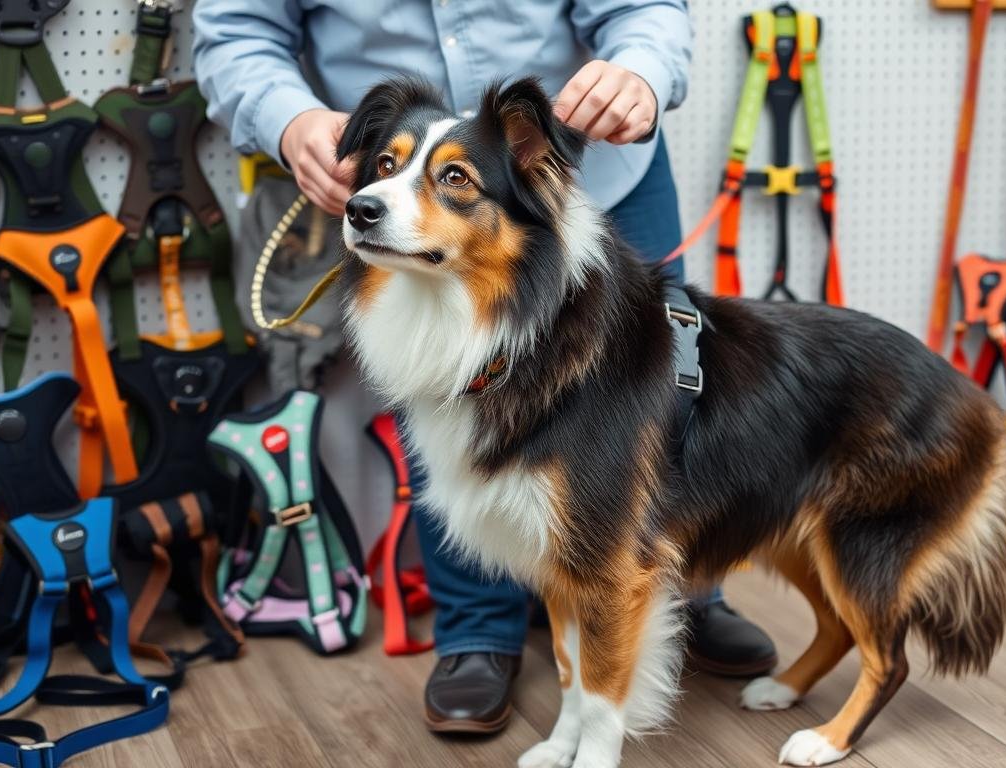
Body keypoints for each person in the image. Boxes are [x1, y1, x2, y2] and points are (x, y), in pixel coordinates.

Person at [192, 0, 778, 736]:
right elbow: (236, 29)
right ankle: (476, 626)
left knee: (665, 419)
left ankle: (690, 591)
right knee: (458, 419)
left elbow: (643, 9)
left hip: (594, 164)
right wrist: (289, 120)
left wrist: (641, 70)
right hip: (400, 193)